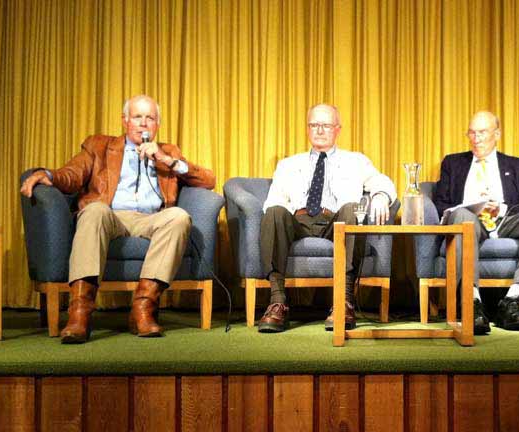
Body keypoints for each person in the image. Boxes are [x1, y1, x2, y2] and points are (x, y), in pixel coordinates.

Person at [20, 94, 215, 343]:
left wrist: (167, 160)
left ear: (157, 125)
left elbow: (208, 180)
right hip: (110, 216)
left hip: (150, 219)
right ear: (125, 121)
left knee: (178, 216)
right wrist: (48, 175)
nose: (143, 123)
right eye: (137, 117)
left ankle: (143, 309)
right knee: (94, 211)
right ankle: (80, 312)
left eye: (150, 118)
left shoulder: (168, 152)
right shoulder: (99, 146)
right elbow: (72, 174)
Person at [257, 103, 396, 333]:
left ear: (338, 129)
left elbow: (382, 181)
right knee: (273, 211)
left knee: (353, 208)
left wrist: (380, 195)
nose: (319, 130)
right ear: (307, 129)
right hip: (298, 222)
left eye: (326, 125)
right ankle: (277, 302)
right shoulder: (288, 164)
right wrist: (278, 217)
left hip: (336, 221)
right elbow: (274, 200)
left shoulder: (357, 161)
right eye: (314, 125)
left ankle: (344, 301)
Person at [433, 111, 519, 334]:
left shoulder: (516, 165)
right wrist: (471, 207)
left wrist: (501, 208)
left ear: (497, 134)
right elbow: (441, 204)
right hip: (470, 220)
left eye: (482, 132)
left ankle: (513, 299)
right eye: (472, 133)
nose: (476, 138)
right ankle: (472, 304)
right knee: (461, 218)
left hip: (507, 219)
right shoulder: (453, 163)